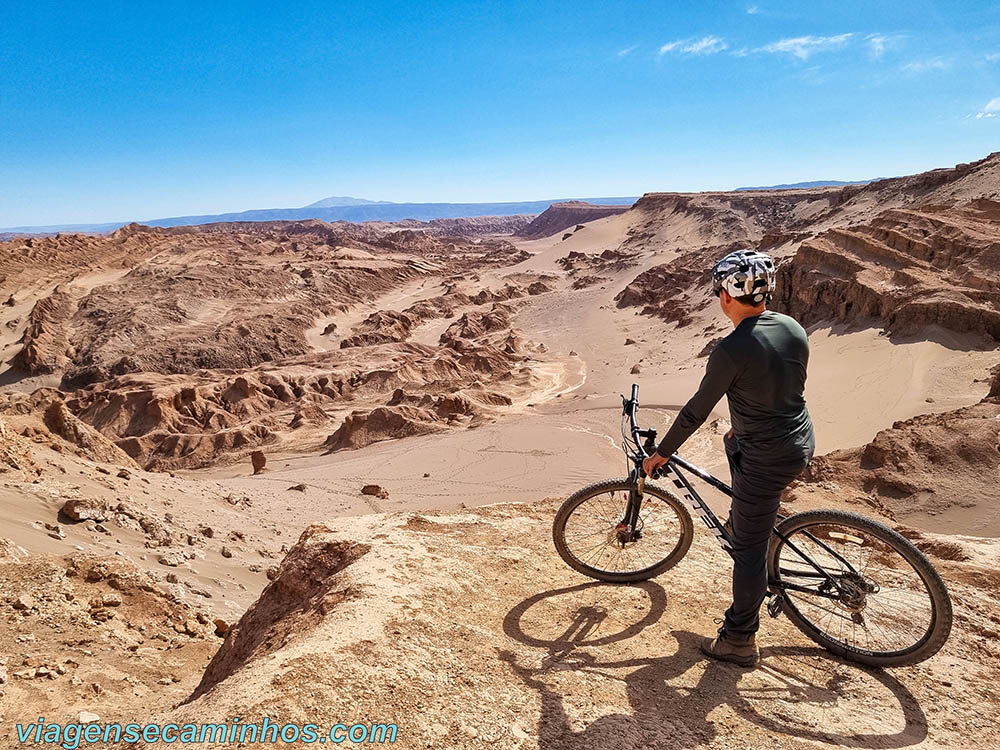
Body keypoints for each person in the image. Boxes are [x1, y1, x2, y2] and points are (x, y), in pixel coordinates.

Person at [642, 249, 815, 668]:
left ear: (726, 296)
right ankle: (748, 521)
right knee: (734, 446)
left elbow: (696, 412)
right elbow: (779, 384)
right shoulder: (793, 328)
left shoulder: (732, 348)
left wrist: (662, 453)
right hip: (799, 440)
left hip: (767, 456)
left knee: (748, 551)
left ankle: (739, 637)